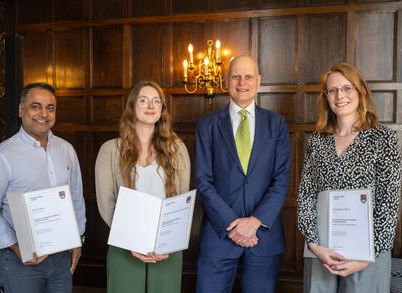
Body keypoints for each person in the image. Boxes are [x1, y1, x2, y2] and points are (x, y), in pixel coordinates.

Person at [297, 63, 402, 293]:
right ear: (326, 97)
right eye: (332, 90)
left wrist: (367, 257)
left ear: (361, 91)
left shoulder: (383, 139)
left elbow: (389, 202)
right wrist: (314, 245)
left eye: (347, 88)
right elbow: (306, 195)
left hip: (368, 253)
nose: (340, 95)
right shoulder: (317, 140)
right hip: (321, 250)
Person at [0, 82, 86, 293]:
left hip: (61, 257)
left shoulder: (66, 150)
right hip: (20, 261)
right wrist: (17, 247)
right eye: (36, 106)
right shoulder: (2, 156)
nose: (43, 114)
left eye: (50, 108)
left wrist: (78, 237)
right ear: (21, 110)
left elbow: (76, 197)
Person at [195, 55, 291, 293]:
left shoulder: (276, 124)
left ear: (258, 80)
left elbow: (281, 179)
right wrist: (233, 225)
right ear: (227, 80)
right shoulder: (207, 125)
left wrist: (255, 222)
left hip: (264, 236)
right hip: (219, 236)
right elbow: (203, 181)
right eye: (236, 76)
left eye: (248, 76)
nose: (242, 82)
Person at [95, 81, 190, 293]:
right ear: (132, 106)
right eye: (144, 100)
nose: (151, 105)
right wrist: (132, 239)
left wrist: (167, 242)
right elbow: (106, 202)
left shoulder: (178, 149)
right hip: (124, 243)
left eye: (157, 101)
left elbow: (180, 201)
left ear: (162, 109)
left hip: (167, 246)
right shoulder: (110, 150)